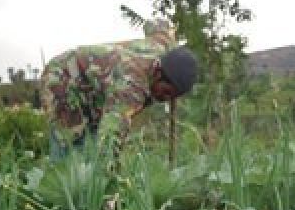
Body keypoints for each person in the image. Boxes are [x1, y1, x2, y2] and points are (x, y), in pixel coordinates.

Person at [40, 20, 198, 156]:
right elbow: (111, 133)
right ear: (157, 72)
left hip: (95, 88)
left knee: (92, 136)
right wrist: (111, 176)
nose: (165, 98)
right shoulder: (133, 86)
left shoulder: (165, 48)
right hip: (64, 77)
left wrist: (170, 32)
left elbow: (156, 26)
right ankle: (61, 186)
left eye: (172, 97)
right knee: (72, 144)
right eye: (166, 92)